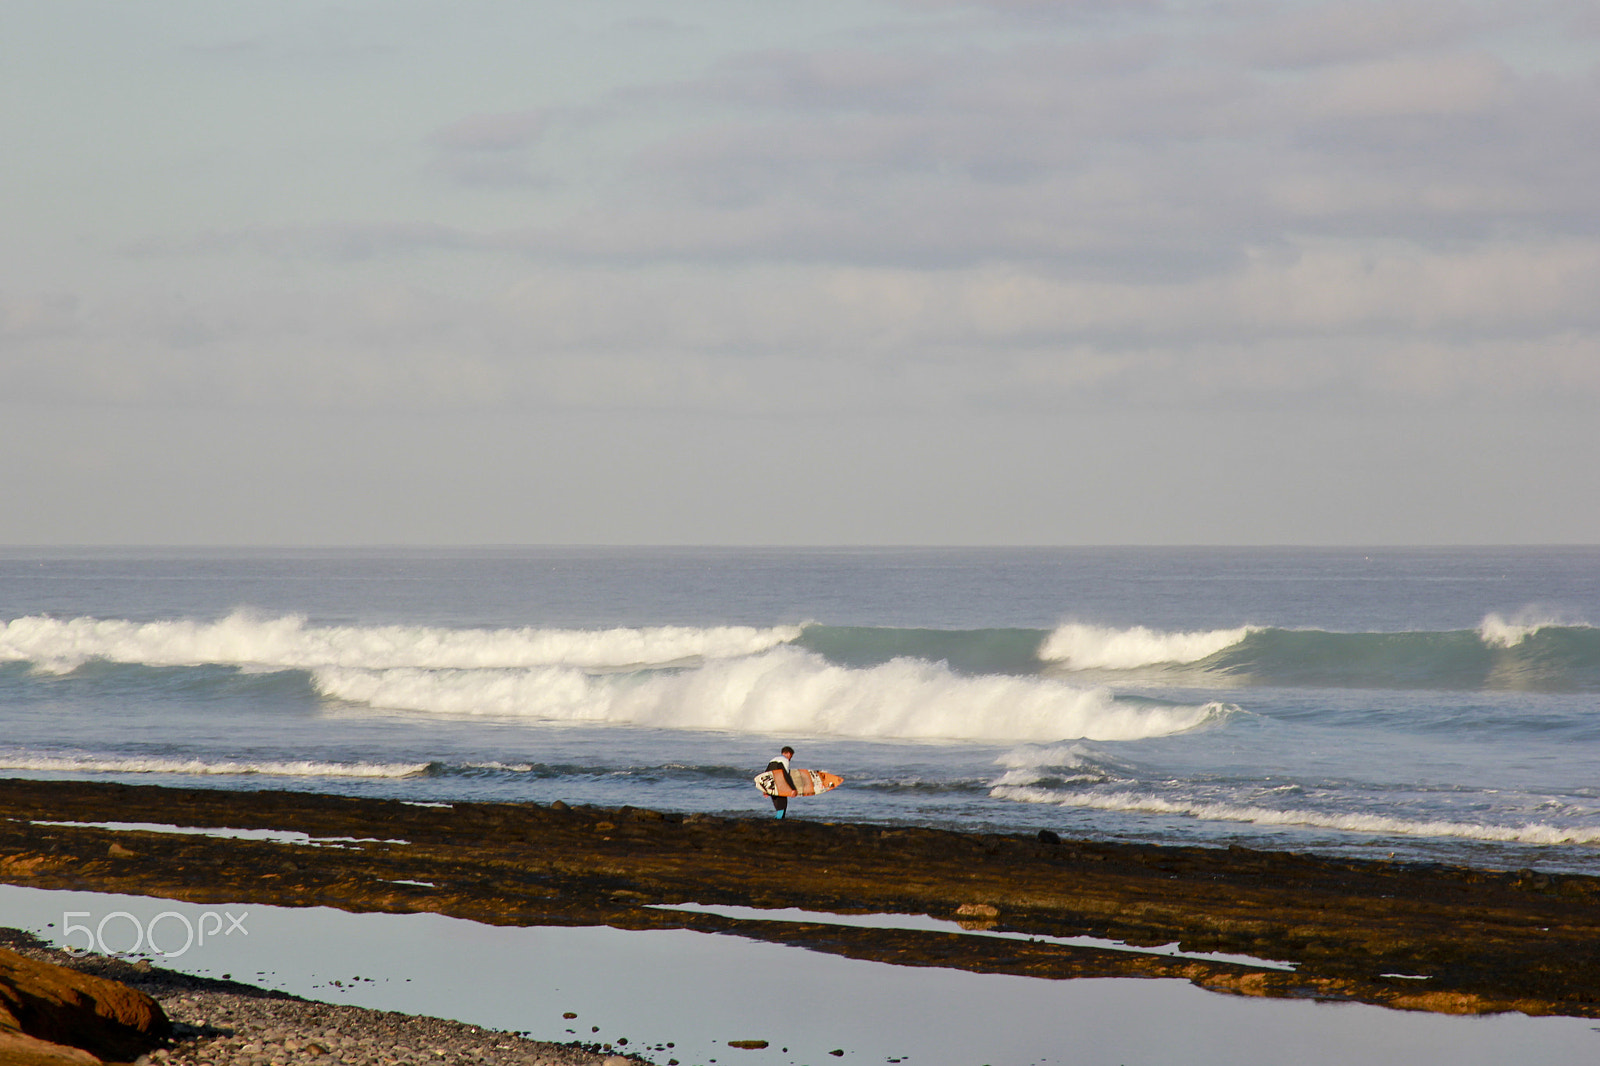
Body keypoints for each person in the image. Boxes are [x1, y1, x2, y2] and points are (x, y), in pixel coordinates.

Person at [767, 746, 796, 819]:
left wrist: (765, 789)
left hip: (771, 786)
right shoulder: (784, 760)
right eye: (791, 756)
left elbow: (766, 775)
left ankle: (776, 820)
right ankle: (779, 821)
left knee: (778, 806)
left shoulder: (772, 760)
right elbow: (786, 775)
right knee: (783, 805)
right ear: (789, 754)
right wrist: (793, 788)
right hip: (780, 786)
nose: (790, 759)